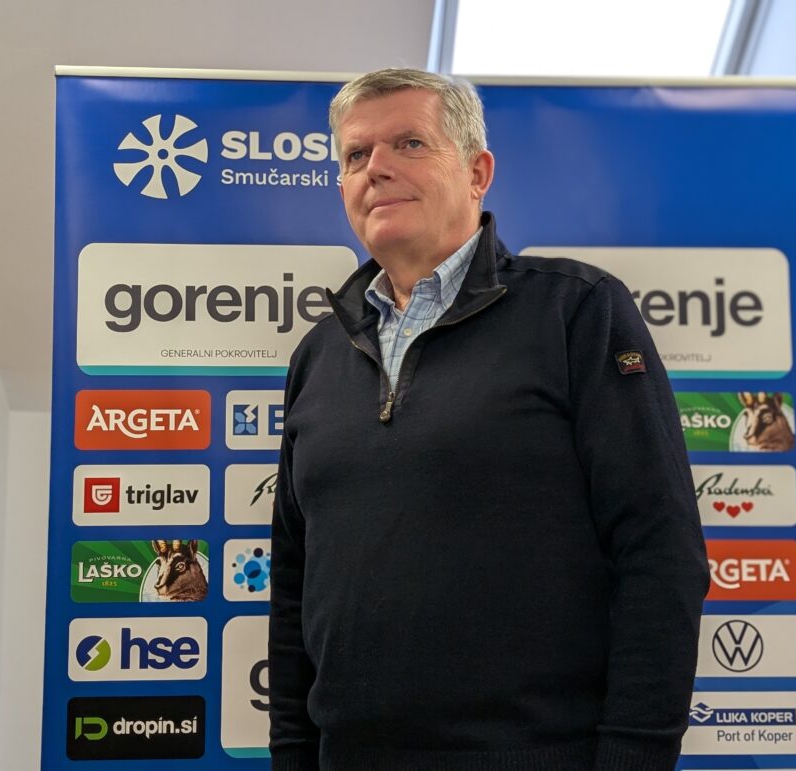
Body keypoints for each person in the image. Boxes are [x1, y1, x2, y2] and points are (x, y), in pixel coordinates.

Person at [268, 67, 708, 771]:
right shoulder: (317, 355)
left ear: (478, 173)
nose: (376, 167)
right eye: (356, 155)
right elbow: (292, 586)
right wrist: (294, 756)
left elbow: (659, 550)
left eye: (409, 143)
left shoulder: (577, 311)